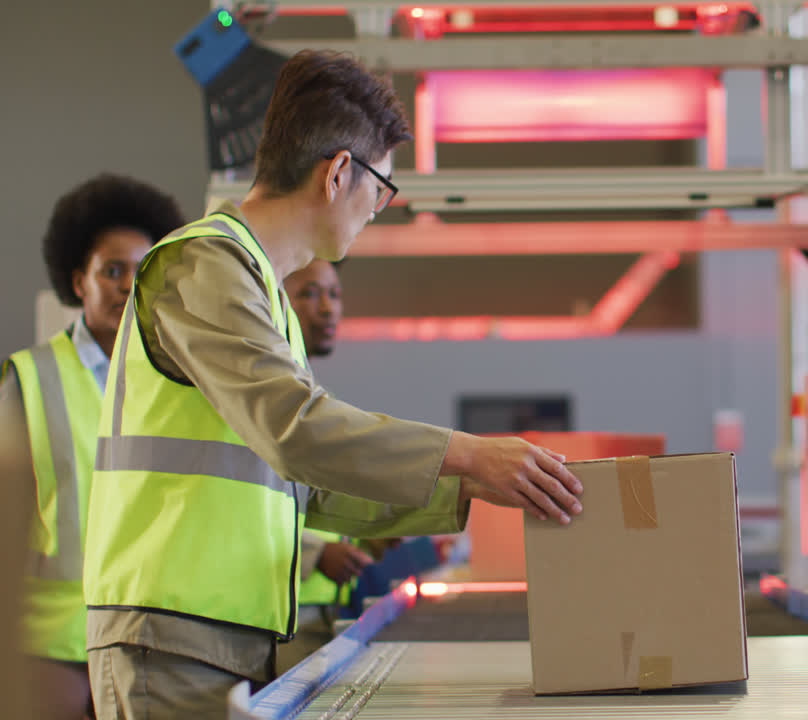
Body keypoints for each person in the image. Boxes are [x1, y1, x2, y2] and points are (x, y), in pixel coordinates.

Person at [81, 50, 584, 719]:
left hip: (218, 637)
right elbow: (298, 432)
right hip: (169, 633)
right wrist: (467, 452)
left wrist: (469, 486)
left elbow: (307, 484)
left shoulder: (265, 299)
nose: (378, 209)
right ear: (339, 172)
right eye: (382, 188)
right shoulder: (202, 265)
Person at [1, 175, 184, 719]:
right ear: (78, 281)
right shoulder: (28, 378)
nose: (128, 285)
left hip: (144, 636)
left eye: (142, 271)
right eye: (112, 270)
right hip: (50, 644)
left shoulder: (174, 385)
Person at [278, 257, 374, 672]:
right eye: (309, 294)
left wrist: (366, 533)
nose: (327, 308)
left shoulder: (309, 390)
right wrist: (315, 553)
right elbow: (245, 503)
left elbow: (306, 497)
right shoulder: (266, 398)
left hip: (319, 608)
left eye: (334, 294)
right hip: (283, 617)